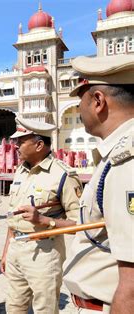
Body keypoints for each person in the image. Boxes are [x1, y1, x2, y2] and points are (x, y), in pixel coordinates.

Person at [63, 54, 134, 313]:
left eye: (80, 99)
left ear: (97, 101)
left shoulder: (127, 160)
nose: (79, 110)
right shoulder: (116, 154)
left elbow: (132, 284)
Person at [0, 117, 83, 313]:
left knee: (44, 308)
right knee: (14, 307)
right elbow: (14, 217)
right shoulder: (21, 171)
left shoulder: (64, 175)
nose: (16, 146)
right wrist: (6, 250)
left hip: (45, 253)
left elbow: (80, 224)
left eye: (21, 142)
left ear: (39, 145)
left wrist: (44, 220)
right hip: (16, 249)